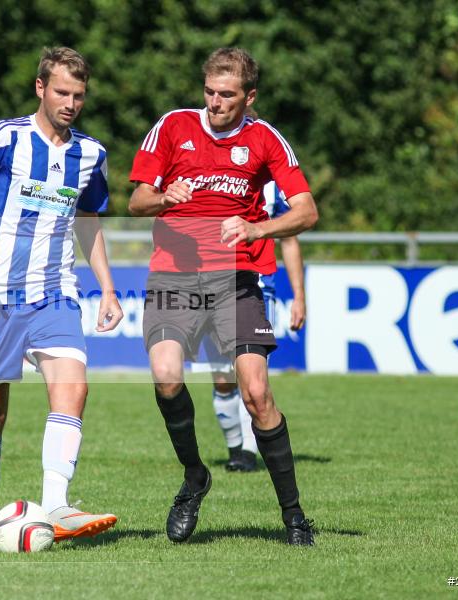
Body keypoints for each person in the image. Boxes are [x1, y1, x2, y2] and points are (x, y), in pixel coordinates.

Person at [0, 46, 123, 547]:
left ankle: (56, 504)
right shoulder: (6, 137)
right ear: (40, 88)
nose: (70, 103)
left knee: (73, 386)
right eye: (61, 92)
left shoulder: (91, 154)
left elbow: (88, 220)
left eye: (79, 95)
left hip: (55, 293)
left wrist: (106, 287)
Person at [128, 47, 318, 545]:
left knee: (257, 394)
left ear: (248, 97)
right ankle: (195, 476)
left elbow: (306, 212)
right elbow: (135, 201)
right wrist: (164, 197)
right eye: (209, 92)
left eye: (227, 95)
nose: (215, 103)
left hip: (235, 281)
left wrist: (257, 228)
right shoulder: (172, 126)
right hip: (172, 277)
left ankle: (294, 516)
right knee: (167, 376)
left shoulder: (265, 138)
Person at [206, 181, 306, 472]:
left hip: (259, 291)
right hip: (214, 289)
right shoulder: (214, 175)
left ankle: (247, 453)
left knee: (252, 378)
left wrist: (299, 295)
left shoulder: (275, 185)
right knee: (222, 378)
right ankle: (236, 447)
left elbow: (289, 239)